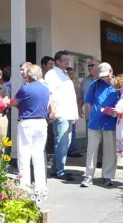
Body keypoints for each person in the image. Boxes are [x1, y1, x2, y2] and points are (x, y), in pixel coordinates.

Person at [10, 65, 51, 202]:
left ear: (28, 75)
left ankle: (25, 186)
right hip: (41, 122)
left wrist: (19, 105)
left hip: (27, 122)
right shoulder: (45, 88)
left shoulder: (25, 88)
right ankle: (41, 187)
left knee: (24, 154)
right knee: (38, 155)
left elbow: (13, 102)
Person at [81, 63, 119, 188]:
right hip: (95, 121)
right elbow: (89, 102)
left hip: (111, 122)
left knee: (110, 151)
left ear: (111, 71)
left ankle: (108, 176)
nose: (104, 78)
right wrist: (96, 112)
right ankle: (89, 175)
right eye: (102, 76)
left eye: (106, 76)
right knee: (91, 150)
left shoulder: (118, 85)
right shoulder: (95, 84)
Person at [44, 51, 78, 181]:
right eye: (65, 60)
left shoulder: (64, 74)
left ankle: (55, 168)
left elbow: (69, 95)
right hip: (61, 113)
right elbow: (49, 94)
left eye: (68, 60)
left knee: (66, 142)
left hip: (68, 113)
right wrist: (53, 111)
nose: (67, 62)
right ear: (57, 61)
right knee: (62, 143)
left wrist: (74, 114)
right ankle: (60, 171)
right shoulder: (52, 74)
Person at [66, 67, 81, 158]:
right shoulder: (65, 84)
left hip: (73, 110)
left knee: (73, 131)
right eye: (70, 74)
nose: (72, 76)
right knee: (68, 131)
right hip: (67, 110)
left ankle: (73, 149)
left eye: (73, 74)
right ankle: (69, 150)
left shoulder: (73, 84)